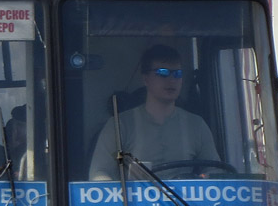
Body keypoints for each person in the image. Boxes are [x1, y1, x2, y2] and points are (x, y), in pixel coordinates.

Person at [88, 44, 219, 179]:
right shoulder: (119, 125)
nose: (172, 80)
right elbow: (99, 174)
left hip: (184, 200)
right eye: (163, 73)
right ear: (146, 79)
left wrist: (206, 178)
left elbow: (216, 172)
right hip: (133, 199)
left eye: (177, 74)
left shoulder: (196, 125)